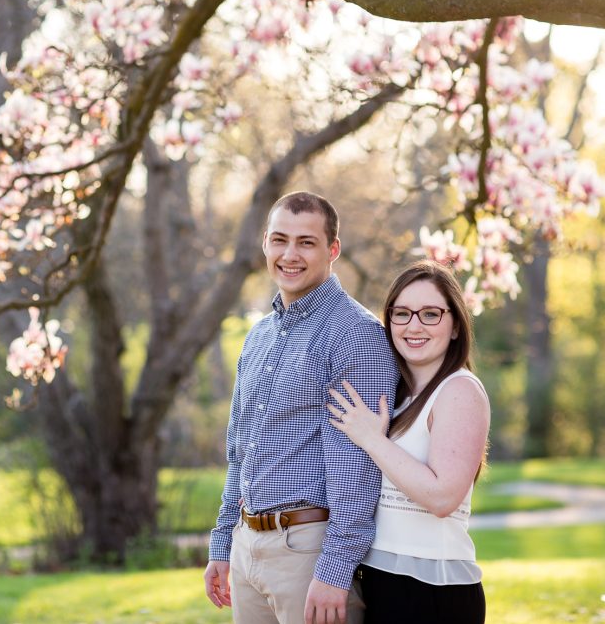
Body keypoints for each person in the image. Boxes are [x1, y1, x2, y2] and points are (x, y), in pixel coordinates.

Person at [204, 191, 400, 624]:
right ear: (265, 244)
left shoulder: (355, 335)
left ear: (333, 249)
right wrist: (223, 544)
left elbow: (358, 466)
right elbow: (240, 451)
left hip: (308, 553)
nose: (290, 255)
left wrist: (334, 571)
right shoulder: (259, 335)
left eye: (306, 242)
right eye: (280, 240)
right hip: (246, 546)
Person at [328, 259, 490, 624]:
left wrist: (372, 439)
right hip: (378, 580)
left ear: (455, 326)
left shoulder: (459, 390)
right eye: (401, 314)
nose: (414, 326)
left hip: (433, 591)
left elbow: (442, 498)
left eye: (430, 314)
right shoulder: (395, 395)